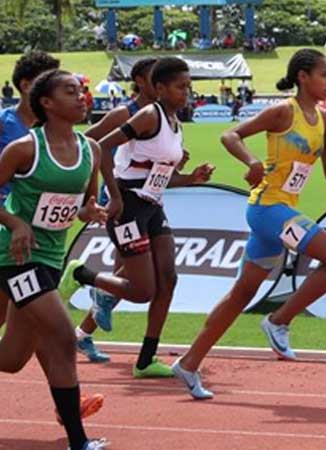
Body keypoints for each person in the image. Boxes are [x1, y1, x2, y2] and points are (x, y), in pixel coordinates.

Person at [171, 48, 326, 399]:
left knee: (242, 294)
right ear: (303, 77)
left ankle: (189, 364)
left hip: (280, 212)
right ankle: (278, 321)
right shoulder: (283, 111)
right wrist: (252, 163)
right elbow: (230, 135)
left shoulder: (325, 119)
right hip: (268, 209)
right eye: (325, 75)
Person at [57, 57, 215, 379]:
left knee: (168, 280)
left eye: (189, 86)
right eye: (181, 87)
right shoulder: (147, 115)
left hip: (152, 206)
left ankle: (145, 360)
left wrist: (190, 178)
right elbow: (99, 146)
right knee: (143, 291)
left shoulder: (175, 123)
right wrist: (112, 195)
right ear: (160, 88)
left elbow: (159, 176)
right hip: (128, 207)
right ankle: (82, 275)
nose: (187, 92)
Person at [0, 69, 109, 450]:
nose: (81, 97)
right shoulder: (24, 149)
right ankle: (79, 442)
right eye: (70, 92)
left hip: (51, 256)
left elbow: (83, 205)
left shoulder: (91, 150)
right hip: (15, 256)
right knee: (62, 337)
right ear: (46, 103)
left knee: (12, 358)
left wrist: (90, 212)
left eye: (82, 91)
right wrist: (15, 223)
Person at [68, 57, 159, 364]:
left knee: (126, 276)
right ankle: (82, 278)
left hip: (147, 198)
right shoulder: (125, 112)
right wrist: (96, 189)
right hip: (122, 197)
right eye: (155, 76)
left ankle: (83, 334)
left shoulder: (161, 114)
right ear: (140, 81)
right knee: (133, 277)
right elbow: (89, 141)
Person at [0, 51, 61, 328]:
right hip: (7, 226)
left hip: (39, 236)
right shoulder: (4, 123)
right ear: (26, 86)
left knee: (20, 318)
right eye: (47, 80)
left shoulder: (53, 130)